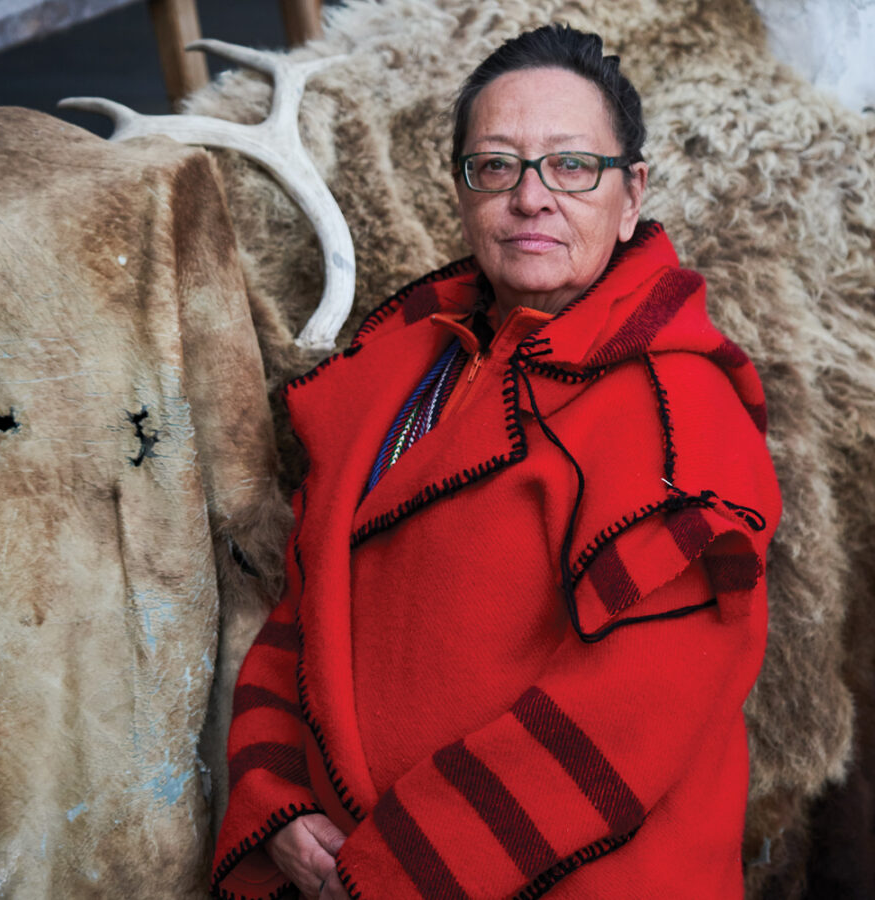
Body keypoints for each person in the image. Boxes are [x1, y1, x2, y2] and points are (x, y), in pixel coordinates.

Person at [210, 23, 781, 900]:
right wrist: (277, 801)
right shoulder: (397, 367)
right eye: (496, 167)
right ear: (463, 193)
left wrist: (384, 872)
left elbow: (632, 710)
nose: (531, 198)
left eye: (571, 166)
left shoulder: (681, 414)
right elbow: (302, 605)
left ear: (630, 197)